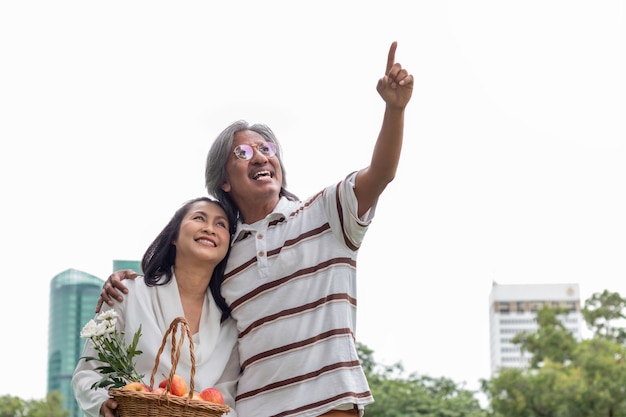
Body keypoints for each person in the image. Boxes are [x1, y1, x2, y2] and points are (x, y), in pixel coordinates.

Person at [98, 41, 413, 417]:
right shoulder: (225, 252)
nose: (261, 156)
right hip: (253, 409)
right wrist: (124, 286)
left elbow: (381, 174)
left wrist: (394, 109)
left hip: (328, 404)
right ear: (224, 181)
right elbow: (185, 295)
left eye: (267, 149)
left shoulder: (327, 213)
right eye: (243, 153)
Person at [73, 197, 241, 417]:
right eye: (199, 218)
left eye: (221, 224)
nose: (210, 228)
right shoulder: (128, 293)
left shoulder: (229, 323)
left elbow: (226, 404)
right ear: (174, 236)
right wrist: (104, 404)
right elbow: (88, 373)